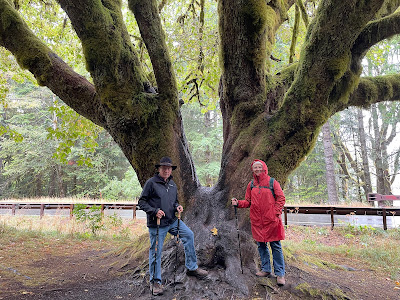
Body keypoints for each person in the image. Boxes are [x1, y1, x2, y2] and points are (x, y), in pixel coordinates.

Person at [138, 156, 208, 296]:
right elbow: (142, 202)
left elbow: (174, 202)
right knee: (156, 251)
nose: (166, 170)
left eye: (169, 168)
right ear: (159, 169)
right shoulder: (151, 183)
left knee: (189, 235)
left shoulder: (172, 184)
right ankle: (155, 281)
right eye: (164, 168)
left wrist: (178, 207)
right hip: (157, 224)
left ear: (171, 170)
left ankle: (191, 267)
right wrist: (155, 211)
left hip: (172, 221)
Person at [231, 159, 286, 286]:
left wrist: (275, 212)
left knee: (275, 246)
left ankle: (280, 274)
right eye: (255, 167)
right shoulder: (251, 185)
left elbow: (281, 198)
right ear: (253, 170)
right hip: (257, 221)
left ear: (264, 168)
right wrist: (238, 203)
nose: (257, 169)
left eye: (259, 167)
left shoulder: (272, 182)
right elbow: (248, 201)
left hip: (271, 221)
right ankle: (266, 270)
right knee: (261, 246)